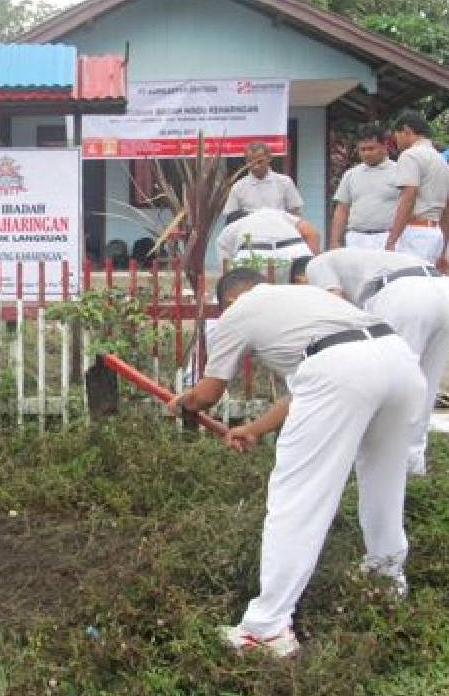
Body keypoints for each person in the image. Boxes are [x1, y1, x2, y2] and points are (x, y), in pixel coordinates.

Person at [169, 269, 425, 657]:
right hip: (400, 361)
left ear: (231, 300)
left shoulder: (238, 312)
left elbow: (208, 394)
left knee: (298, 497)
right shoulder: (305, 300)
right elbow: (312, 384)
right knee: (384, 481)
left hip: (343, 370)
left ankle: (266, 629)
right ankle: (386, 583)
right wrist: (254, 429)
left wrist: (182, 402)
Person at [290, 249, 449, 475]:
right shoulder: (359, 260)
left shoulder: (316, 265)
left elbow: (335, 309)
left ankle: (374, 467)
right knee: (424, 385)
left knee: (387, 382)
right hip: (446, 292)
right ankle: (413, 465)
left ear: (301, 280)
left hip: (404, 295)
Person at [385, 111, 449, 271]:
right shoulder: (442, 160)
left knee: (409, 283)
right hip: (434, 232)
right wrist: (443, 248)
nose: (396, 142)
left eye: (396, 136)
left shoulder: (410, 156)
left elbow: (408, 197)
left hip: (415, 231)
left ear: (406, 131)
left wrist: (392, 239)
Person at [330, 124, 400, 250]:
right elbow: (342, 209)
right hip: (355, 238)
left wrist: (393, 239)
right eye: (363, 149)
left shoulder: (399, 171)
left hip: (386, 238)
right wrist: (335, 241)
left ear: (384, 146)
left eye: (371, 149)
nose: (367, 153)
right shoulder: (351, 174)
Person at [215, 208, 320, 266]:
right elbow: (312, 232)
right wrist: (311, 262)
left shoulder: (228, 231)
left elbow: (226, 269)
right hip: (296, 251)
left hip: (253, 257)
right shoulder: (274, 212)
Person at [223, 142, 305, 216]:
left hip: (278, 231)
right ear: (246, 161)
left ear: (269, 158)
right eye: (251, 162)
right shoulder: (238, 187)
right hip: (250, 231)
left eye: (260, 161)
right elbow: (231, 216)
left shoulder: (285, 182)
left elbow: (296, 212)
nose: (256, 166)